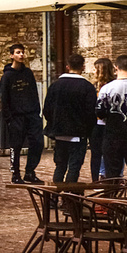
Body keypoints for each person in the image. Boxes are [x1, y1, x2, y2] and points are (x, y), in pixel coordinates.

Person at [43, 53, 97, 183]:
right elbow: (91, 113)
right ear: (83, 67)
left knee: (60, 166)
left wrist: (54, 123)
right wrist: (88, 130)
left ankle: (53, 199)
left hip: (59, 132)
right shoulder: (87, 87)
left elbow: (47, 110)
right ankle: (69, 199)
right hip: (79, 134)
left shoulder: (55, 86)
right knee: (74, 167)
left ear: (67, 66)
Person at [0, 42, 43, 183]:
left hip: (31, 114)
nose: (21, 55)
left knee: (37, 143)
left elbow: (33, 93)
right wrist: (9, 119)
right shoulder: (7, 76)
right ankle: (15, 174)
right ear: (12, 55)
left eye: (22, 52)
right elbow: (4, 99)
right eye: (18, 52)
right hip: (16, 117)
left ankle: (30, 171)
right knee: (16, 146)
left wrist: (36, 111)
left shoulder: (28, 73)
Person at [89, 57, 115, 178]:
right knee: (96, 152)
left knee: (109, 152)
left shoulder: (113, 86)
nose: (93, 72)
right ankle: (96, 178)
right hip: (96, 124)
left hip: (109, 123)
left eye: (95, 69)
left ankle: (109, 176)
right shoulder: (93, 86)